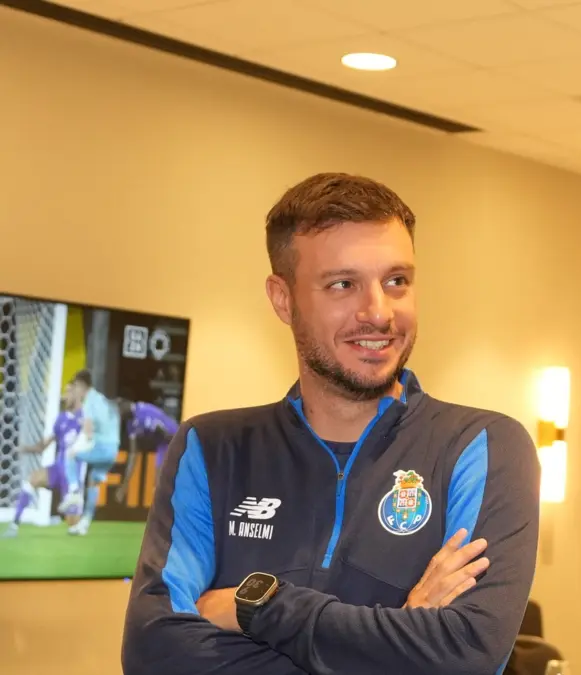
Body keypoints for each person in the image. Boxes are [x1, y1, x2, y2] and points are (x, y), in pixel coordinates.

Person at [121, 173, 541, 675]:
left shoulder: (480, 446)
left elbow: (467, 653)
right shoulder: (211, 449)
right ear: (283, 299)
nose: (378, 312)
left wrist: (263, 605)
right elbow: (153, 653)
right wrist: (401, 637)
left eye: (396, 281)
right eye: (343, 284)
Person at [2, 397, 85, 537]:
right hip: (58, 468)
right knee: (33, 479)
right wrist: (25, 448)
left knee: (72, 525)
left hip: (72, 474)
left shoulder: (85, 418)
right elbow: (43, 446)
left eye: (70, 392)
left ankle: (75, 519)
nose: (66, 396)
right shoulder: (61, 418)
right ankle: (14, 525)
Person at [65, 369, 122, 535]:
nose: (75, 390)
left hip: (102, 446)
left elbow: (88, 431)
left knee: (71, 454)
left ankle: (74, 492)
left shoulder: (89, 401)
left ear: (82, 386)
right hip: (113, 449)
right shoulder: (101, 399)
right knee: (94, 482)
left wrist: (79, 445)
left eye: (75, 386)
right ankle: (84, 523)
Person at [114, 398, 179, 503]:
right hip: (163, 445)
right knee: (159, 483)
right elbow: (133, 454)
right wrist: (124, 486)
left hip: (175, 438)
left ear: (124, 405)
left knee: (164, 482)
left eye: (118, 411)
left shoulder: (144, 411)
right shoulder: (130, 424)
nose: (118, 415)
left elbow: (166, 434)